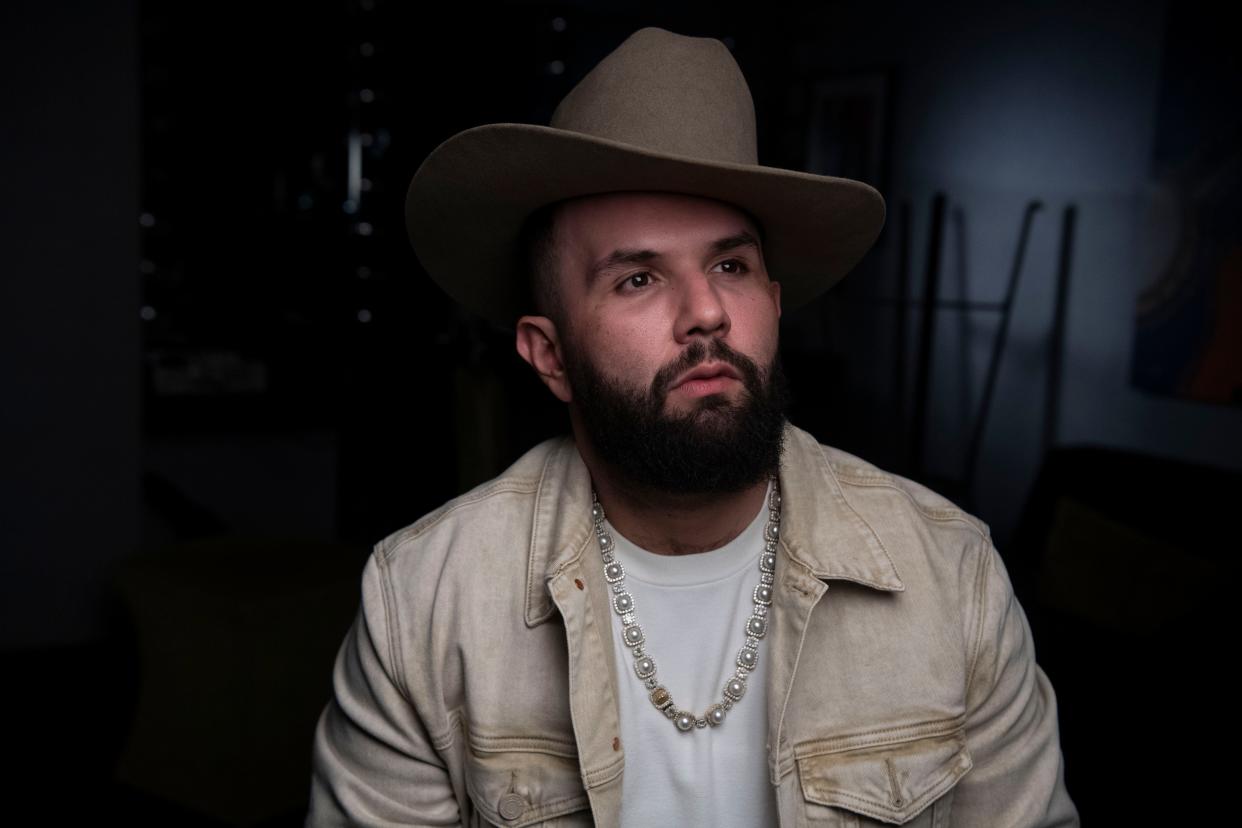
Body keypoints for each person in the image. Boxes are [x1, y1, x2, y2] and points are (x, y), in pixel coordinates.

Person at [308, 27, 1078, 827]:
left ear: (774, 307)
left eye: (730, 266)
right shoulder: (426, 602)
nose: (706, 311)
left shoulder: (952, 577)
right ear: (550, 355)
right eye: (638, 278)